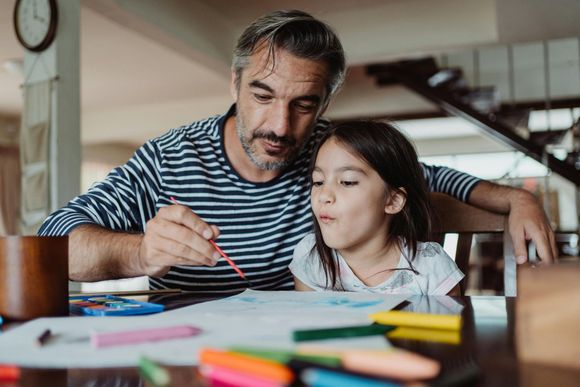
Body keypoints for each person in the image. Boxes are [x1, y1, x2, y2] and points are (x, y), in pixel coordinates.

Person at [39, 9, 556, 293]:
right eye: (262, 97)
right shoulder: (168, 158)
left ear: (325, 101)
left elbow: (430, 177)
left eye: (303, 105)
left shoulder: (329, 151)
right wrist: (140, 253)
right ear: (235, 82)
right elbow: (53, 241)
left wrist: (517, 198)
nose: (281, 127)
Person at [290, 120, 463, 295]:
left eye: (348, 182)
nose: (324, 195)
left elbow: (451, 321)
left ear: (393, 201)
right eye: (318, 181)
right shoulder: (311, 256)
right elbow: (309, 320)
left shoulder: (431, 266)